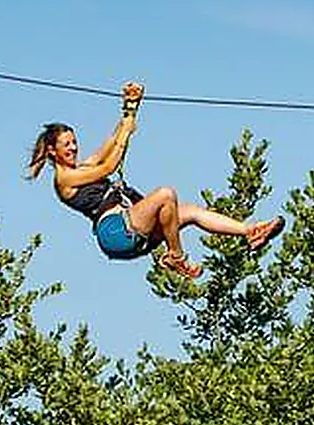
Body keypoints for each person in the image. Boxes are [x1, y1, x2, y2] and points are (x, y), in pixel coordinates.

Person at [26, 81, 285, 279]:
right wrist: (125, 136)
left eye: (74, 142)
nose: (73, 148)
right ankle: (175, 255)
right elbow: (108, 166)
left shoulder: (82, 166)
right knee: (165, 194)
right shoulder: (65, 178)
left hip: (133, 226)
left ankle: (250, 231)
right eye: (66, 145)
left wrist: (130, 108)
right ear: (52, 150)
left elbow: (111, 141)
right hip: (116, 231)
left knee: (191, 212)